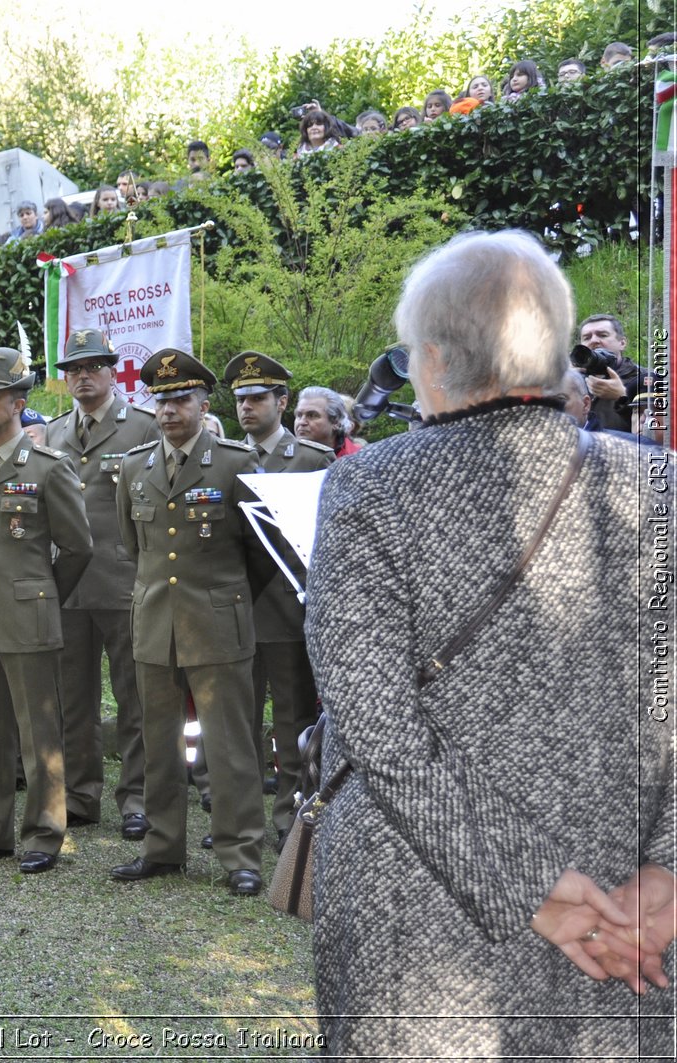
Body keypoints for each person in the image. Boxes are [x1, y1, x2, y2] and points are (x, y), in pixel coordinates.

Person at [305, 228, 674, 1056]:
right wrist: (667, 880)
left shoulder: (367, 485)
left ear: (433, 361)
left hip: (418, 911)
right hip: (629, 914)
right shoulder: (664, 485)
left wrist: (530, 885)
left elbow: (377, 731)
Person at [109, 350, 267, 897]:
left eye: (180, 400)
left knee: (228, 746)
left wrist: (229, 600)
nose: (170, 410)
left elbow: (261, 554)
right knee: (159, 744)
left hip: (218, 623)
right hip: (155, 622)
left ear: (204, 404)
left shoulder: (235, 463)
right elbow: (134, 547)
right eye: (162, 400)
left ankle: (240, 853)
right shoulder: (134, 467)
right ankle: (162, 847)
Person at [0, 347, 92, 874]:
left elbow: (78, 548)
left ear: (18, 402)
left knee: (38, 732)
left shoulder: (49, 468)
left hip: (27, 617)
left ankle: (44, 835)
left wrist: (42, 593)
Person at [45, 331, 160, 840]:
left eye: (93, 366)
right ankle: (80, 795)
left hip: (123, 581)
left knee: (134, 699)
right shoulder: (50, 434)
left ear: (114, 372)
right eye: (74, 369)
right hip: (67, 586)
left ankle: (136, 798)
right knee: (74, 701)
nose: (83, 376)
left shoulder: (143, 427)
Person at [222, 352, 333, 845]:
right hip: (233, 607)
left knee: (291, 716)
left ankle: (292, 811)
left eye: (258, 398)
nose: (247, 407)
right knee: (239, 718)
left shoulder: (311, 460)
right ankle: (241, 813)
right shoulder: (225, 458)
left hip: (288, 609)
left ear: (282, 402)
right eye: (241, 399)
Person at [577, 313, 646, 432]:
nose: (594, 340)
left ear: (622, 343)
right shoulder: (572, 380)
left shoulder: (644, 378)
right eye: (587, 338)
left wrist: (622, 397)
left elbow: (656, 432)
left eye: (603, 335)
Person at [294, 386, 361, 457]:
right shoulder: (284, 454)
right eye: (299, 415)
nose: (301, 422)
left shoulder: (359, 459)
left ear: (336, 422)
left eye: (312, 415)